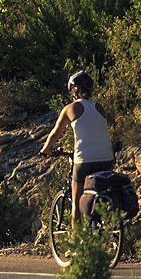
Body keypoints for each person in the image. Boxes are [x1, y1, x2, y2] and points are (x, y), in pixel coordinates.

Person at [40, 70, 114, 221]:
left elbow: (55, 134)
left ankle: (77, 242)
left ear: (74, 90)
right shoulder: (99, 107)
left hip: (84, 160)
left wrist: (45, 150)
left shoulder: (70, 109)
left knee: (76, 202)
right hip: (107, 157)